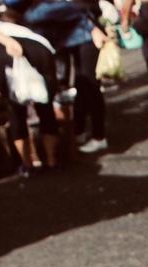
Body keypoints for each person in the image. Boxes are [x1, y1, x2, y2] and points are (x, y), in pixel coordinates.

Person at [0, 13, 59, 174]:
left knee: (15, 110)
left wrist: (8, 42)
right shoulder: (27, 30)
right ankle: (51, 160)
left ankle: (27, 164)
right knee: (46, 107)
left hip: (6, 51)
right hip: (41, 50)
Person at [21, 0, 108, 153]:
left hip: (87, 40)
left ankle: (99, 137)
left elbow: (76, 10)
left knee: (91, 87)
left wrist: (92, 28)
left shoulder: (40, 11)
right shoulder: (37, 10)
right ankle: (80, 131)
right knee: (82, 85)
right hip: (76, 42)